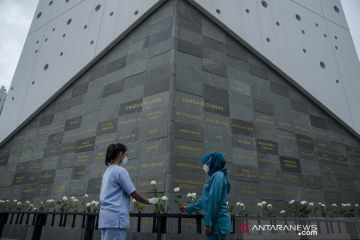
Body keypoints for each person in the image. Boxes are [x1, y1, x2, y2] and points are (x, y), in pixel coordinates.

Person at [99, 143, 158, 240]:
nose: (126, 158)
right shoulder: (120, 171)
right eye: (126, 155)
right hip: (116, 219)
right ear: (121, 154)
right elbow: (132, 192)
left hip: (106, 218)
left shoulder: (108, 171)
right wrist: (149, 201)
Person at [179, 151, 232, 240]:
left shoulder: (218, 176)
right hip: (216, 223)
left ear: (212, 163)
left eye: (206, 163)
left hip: (217, 224)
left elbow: (213, 200)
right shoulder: (216, 176)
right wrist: (189, 208)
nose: (204, 166)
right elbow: (205, 200)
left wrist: (208, 224)